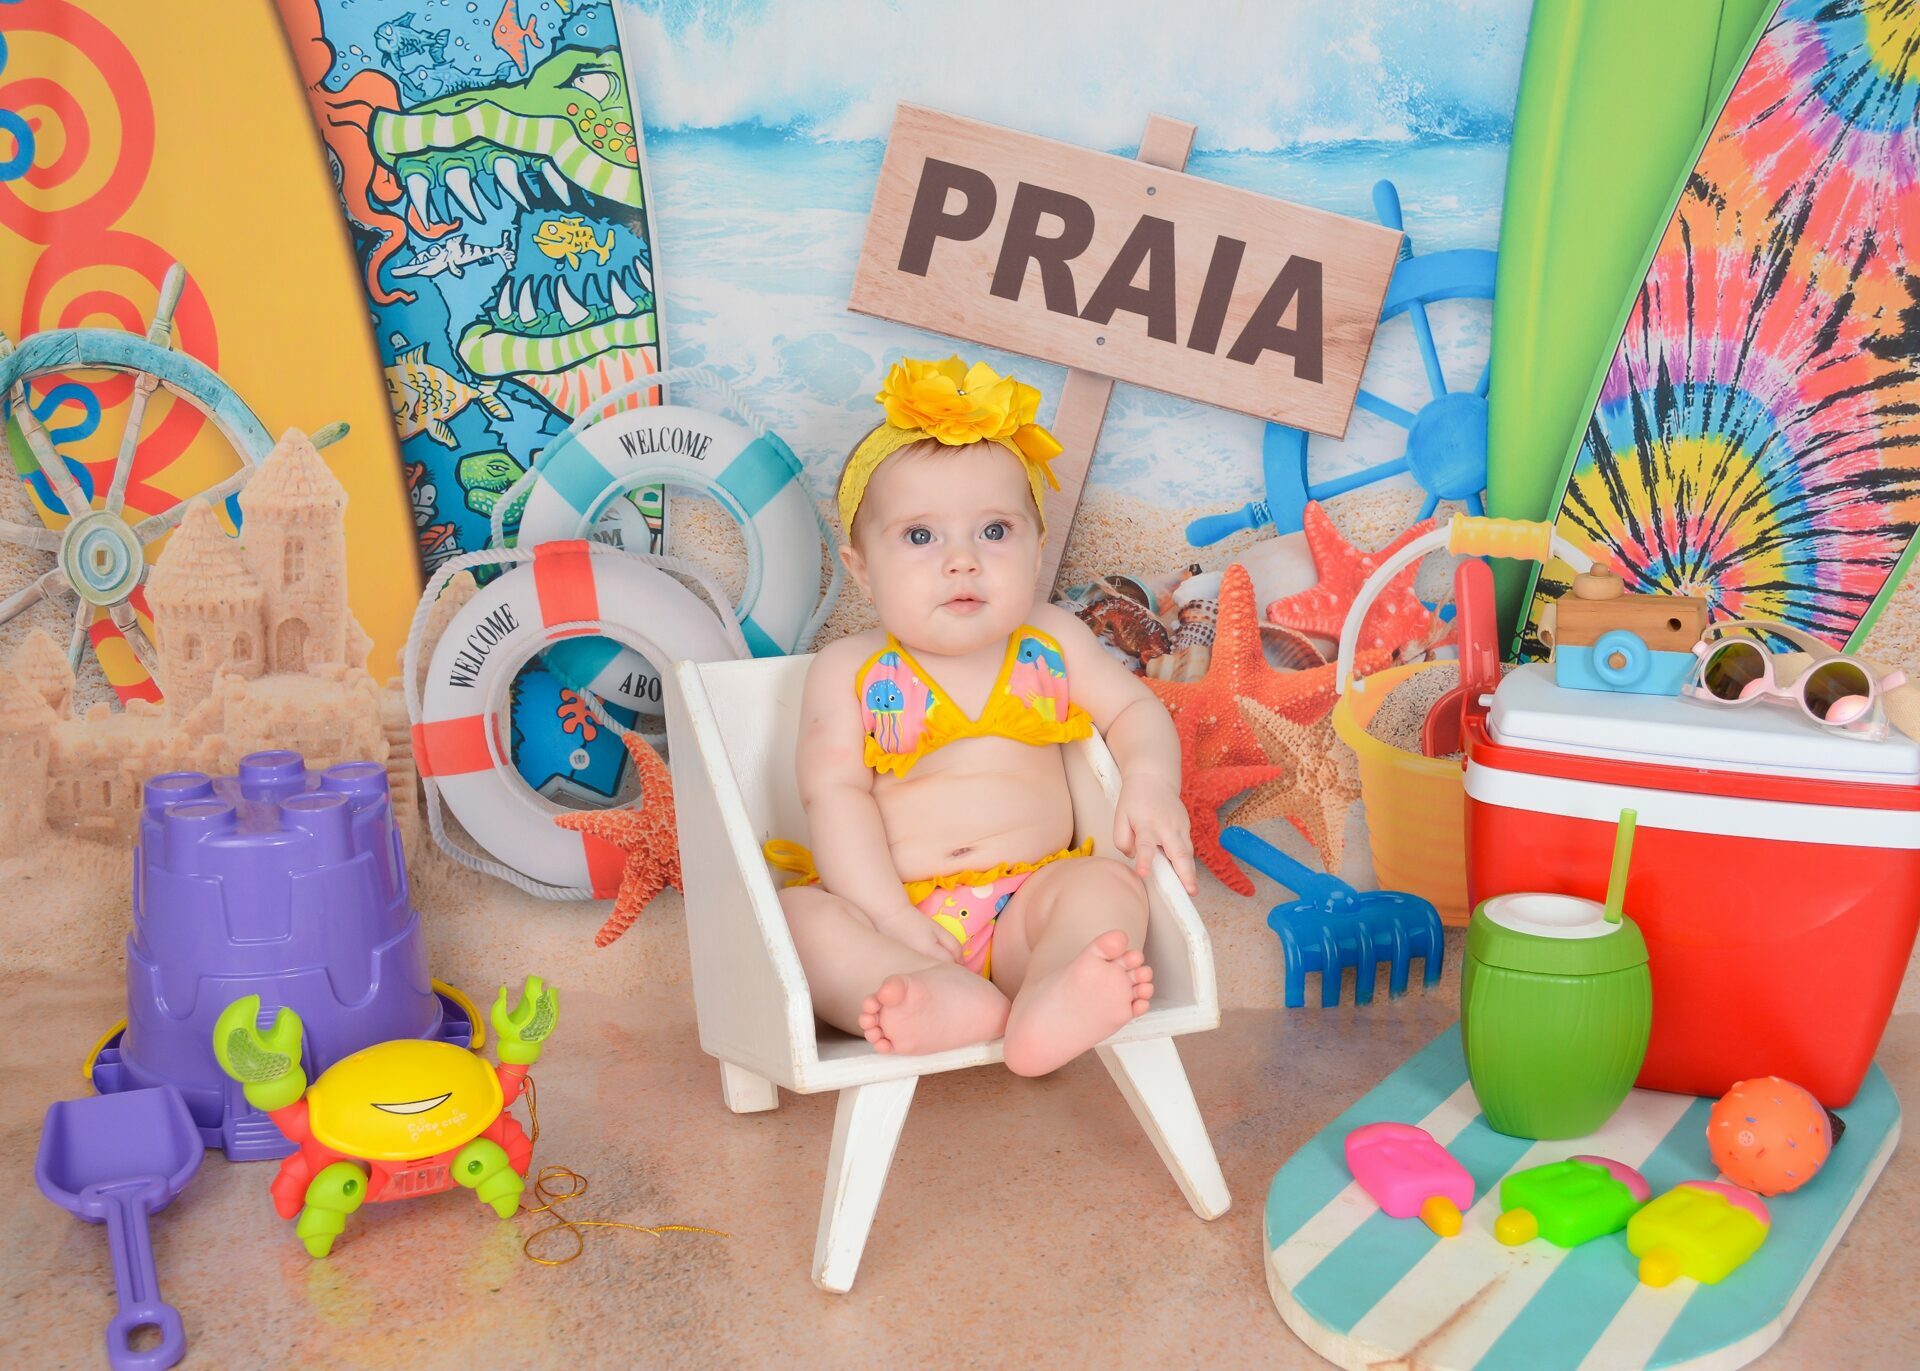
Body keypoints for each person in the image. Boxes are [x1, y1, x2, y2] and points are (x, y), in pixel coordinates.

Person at [766, 357, 1196, 1076]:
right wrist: (892, 920)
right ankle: (933, 998)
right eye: (920, 537)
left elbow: (1132, 707)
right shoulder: (849, 670)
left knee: (1107, 885)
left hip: (1031, 904)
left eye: (995, 531)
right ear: (862, 568)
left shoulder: (1052, 640)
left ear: (1037, 548)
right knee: (795, 921)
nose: (962, 561)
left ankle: (1056, 991)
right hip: (896, 919)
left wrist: (1151, 781)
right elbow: (834, 798)